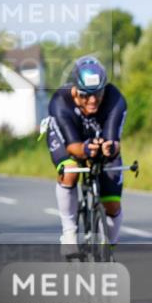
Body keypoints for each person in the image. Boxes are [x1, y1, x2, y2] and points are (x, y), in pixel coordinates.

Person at [44, 56, 128, 248]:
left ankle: (110, 247)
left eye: (97, 94)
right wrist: (86, 149)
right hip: (69, 140)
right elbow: (72, 146)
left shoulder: (115, 99)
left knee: (112, 204)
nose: (92, 101)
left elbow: (114, 142)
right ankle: (69, 233)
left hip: (97, 140)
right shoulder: (60, 101)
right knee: (71, 171)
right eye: (85, 95)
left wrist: (109, 148)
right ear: (74, 91)